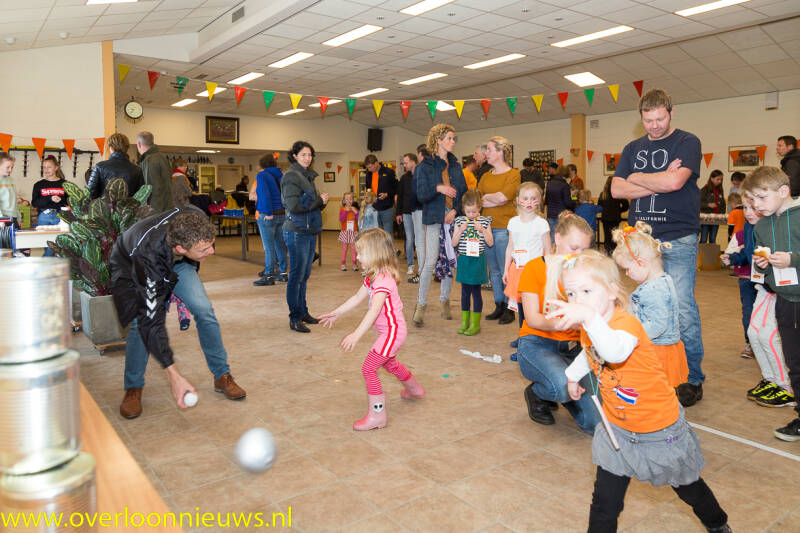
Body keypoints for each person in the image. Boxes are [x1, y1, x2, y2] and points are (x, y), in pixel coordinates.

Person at [549, 251, 730, 533]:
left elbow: (613, 351)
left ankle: (717, 523)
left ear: (612, 292)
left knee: (688, 487)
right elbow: (590, 351)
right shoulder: (591, 326)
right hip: (617, 430)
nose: (578, 300)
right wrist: (573, 375)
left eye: (586, 291)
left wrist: (588, 318)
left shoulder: (627, 325)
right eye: (571, 294)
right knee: (605, 503)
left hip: (659, 429)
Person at [611, 88, 705, 407]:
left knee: (681, 307)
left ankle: (692, 377)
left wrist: (637, 177)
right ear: (641, 117)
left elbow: (675, 183)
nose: (654, 125)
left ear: (671, 112)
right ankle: (657, 371)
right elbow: (616, 189)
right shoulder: (632, 148)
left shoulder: (688, 142)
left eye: (660, 119)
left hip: (678, 236)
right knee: (644, 305)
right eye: (648, 120)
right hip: (641, 240)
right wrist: (660, 177)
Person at [110, 208, 246, 419]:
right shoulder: (148, 256)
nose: (212, 252)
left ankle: (222, 376)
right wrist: (173, 375)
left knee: (204, 310)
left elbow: (196, 250)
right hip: (132, 266)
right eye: (205, 249)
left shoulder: (196, 217)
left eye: (211, 244)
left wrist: (176, 279)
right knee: (140, 324)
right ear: (181, 248)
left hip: (178, 263)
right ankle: (133, 388)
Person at [320, 228, 425, 430]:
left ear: (376, 254)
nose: (358, 257)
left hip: (392, 332)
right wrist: (337, 313)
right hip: (391, 332)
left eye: (361, 253)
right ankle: (415, 389)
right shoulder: (372, 275)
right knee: (389, 363)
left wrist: (356, 335)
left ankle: (377, 416)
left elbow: (374, 311)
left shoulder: (384, 280)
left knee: (369, 368)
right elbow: (357, 298)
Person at [516, 212, 599, 433]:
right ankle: (538, 393)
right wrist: (569, 322)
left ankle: (558, 385)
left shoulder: (586, 273)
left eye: (584, 250)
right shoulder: (534, 267)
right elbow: (533, 319)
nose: (578, 255)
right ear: (558, 238)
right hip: (538, 344)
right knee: (562, 387)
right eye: (574, 248)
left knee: (596, 422)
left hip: (576, 348)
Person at [745, 167, 800, 440]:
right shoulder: (762, 226)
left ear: (783, 191)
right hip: (786, 301)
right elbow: (764, 269)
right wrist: (762, 265)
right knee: (795, 364)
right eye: (752, 199)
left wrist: (793, 260)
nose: (756, 205)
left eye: (761, 197)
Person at [612, 222, 689, 387]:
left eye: (627, 269)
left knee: (655, 392)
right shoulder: (659, 281)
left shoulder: (655, 289)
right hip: (656, 347)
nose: (627, 274)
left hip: (657, 351)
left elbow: (657, 325)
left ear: (641, 262)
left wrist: (632, 334)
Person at [414, 124, 466, 327]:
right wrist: (439, 188)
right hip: (434, 218)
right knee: (430, 263)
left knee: (450, 262)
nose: (453, 142)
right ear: (438, 140)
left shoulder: (456, 166)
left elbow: (463, 193)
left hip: (453, 218)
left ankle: (445, 302)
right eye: (449, 138)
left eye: (454, 138)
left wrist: (456, 210)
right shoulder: (425, 166)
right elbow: (421, 195)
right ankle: (420, 306)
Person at [282, 140, 329, 333]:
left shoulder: (307, 176)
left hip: (307, 231)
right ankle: (294, 318)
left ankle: (303, 312)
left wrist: (322, 202)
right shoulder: (291, 176)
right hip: (296, 231)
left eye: (310, 155)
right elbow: (294, 206)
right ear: (294, 156)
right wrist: (318, 200)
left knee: (304, 275)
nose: (307, 158)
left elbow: (310, 206)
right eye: (303, 154)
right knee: (297, 276)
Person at [478, 136, 521, 326]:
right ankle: (499, 305)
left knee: (506, 270)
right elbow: (478, 200)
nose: (486, 153)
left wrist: (489, 198)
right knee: (494, 271)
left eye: (489, 149)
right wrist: (491, 198)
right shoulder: (485, 176)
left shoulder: (513, 175)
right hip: (487, 228)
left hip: (505, 229)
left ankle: (509, 308)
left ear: (500, 152)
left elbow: (504, 197)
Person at [721, 196, 766, 363]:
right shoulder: (747, 227)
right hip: (747, 278)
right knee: (748, 311)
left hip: (767, 282)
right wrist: (732, 258)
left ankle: (764, 344)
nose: (748, 213)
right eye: (745, 208)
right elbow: (747, 253)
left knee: (766, 316)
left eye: (752, 208)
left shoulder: (769, 226)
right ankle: (750, 343)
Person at [503, 182, 550, 315]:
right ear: (518, 200)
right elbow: (510, 247)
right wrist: (506, 269)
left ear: (539, 201)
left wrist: (548, 272)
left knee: (533, 309)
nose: (529, 202)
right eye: (525, 198)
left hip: (534, 271)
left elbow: (548, 250)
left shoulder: (542, 224)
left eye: (533, 198)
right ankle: (522, 329)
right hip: (517, 270)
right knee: (520, 308)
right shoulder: (513, 222)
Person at [452, 190, 493, 336]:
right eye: (468, 212)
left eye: (474, 212)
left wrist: (483, 230)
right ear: (463, 209)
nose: (471, 215)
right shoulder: (459, 221)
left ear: (480, 208)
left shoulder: (485, 221)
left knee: (476, 292)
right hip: (464, 259)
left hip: (477, 260)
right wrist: (460, 231)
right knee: (464, 292)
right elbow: (453, 243)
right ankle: (465, 322)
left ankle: (475, 324)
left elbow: (490, 242)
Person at [252, 153, 287, 286]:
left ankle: (269, 275)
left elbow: (264, 195)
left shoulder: (262, 175)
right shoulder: (281, 175)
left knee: (269, 247)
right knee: (280, 245)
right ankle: (282, 273)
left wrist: (268, 212)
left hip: (268, 215)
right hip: (282, 214)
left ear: (262, 164)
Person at [87, 133, 143, 200]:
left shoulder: (100, 167)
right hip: (128, 206)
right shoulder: (137, 170)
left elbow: (90, 192)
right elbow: (141, 196)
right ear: (127, 148)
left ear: (111, 147)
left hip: (104, 206)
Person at [32, 156, 67, 256]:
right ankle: (48, 263)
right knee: (47, 245)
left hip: (59, 216)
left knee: (55, 245)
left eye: (49, 167)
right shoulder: (38, 185)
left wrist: (61, 200)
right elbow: (35, 203)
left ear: (56, 168)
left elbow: (69, 202)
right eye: (44, 167)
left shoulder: (65, 184)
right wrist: (49, 198)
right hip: (43, 216)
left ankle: (46, 263)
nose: (46, 170)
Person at [136, 131, 173, 213]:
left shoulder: (149, 160)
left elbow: (150, 189)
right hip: (167, 207)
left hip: (156, 211)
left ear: (139, 144)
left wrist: (150, 213)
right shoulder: (162, 157)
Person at [396, 153, 420, 276]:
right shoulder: (404, 178)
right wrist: (398, 213)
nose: (404, 165)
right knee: (409, 239)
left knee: (420, 240)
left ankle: (423, 266)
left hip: (420, 212)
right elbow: (399, 196)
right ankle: (410, 265)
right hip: (407, 213)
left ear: (413, 162)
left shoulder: (421, 175)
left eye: (406, 163)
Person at [363, 154, 397, 238]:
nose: (369, 169)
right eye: (367, 168)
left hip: (387, 208)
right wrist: (367, 196)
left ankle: (389, 247)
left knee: (388, 234)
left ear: (376, 163)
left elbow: (397, 188)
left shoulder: (389, 172)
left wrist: (387, 194)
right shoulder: (368, 174)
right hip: (374, 208)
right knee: (377, 235)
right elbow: (368, 189)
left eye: (370, 167)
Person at [597, 176, 629, 255]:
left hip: (605, 219)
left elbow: (599, 206)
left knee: (607, 238)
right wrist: (619, 211)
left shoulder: (603, 194)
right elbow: (626, 205)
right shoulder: (618, 193)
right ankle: (614, 254)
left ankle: (608, 255)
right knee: (614, 238)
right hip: (615, 218)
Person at [544, 165, 577, 240]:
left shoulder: (549, 183)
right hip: (561, 215)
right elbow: (568, 203)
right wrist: (574, 201)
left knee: (553, 236)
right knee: (562, 237)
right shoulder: (565, 185)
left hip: (550, 214)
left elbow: (546, 200)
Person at [699, 169, 726, 244]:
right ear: (712, 178)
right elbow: (698, 203)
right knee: (703, 239)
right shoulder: (704, 189)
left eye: (721, 179)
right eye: (718, 179)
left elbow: (723, 204)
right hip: (706, 219)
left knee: (713, 240)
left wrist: (722, 215)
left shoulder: (720, 190)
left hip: (716, 219)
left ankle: (711, 252)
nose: (720, 181)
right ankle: (701, 252)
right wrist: (708, 205)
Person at [338, 192, 359, 272]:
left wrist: (356, 213)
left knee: (353, 248)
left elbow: (358, 219)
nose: (349, 201)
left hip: (353, 232)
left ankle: (354, 264)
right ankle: (343, 264)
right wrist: (346, 211)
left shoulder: (355, 209)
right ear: (344, 201)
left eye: (350, 199)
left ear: (353, 200)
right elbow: (341, 219)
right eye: (346, 199)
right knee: (344, 248)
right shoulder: (342, 209)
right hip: (345, 232)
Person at [0, 152, 18, 225]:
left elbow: (14, 201)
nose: (10, 170)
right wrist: (1, 219)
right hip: (2, 218)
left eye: (12, 167)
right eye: (7, 167)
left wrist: (19, 218)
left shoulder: (11, 180)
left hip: (13, 217)